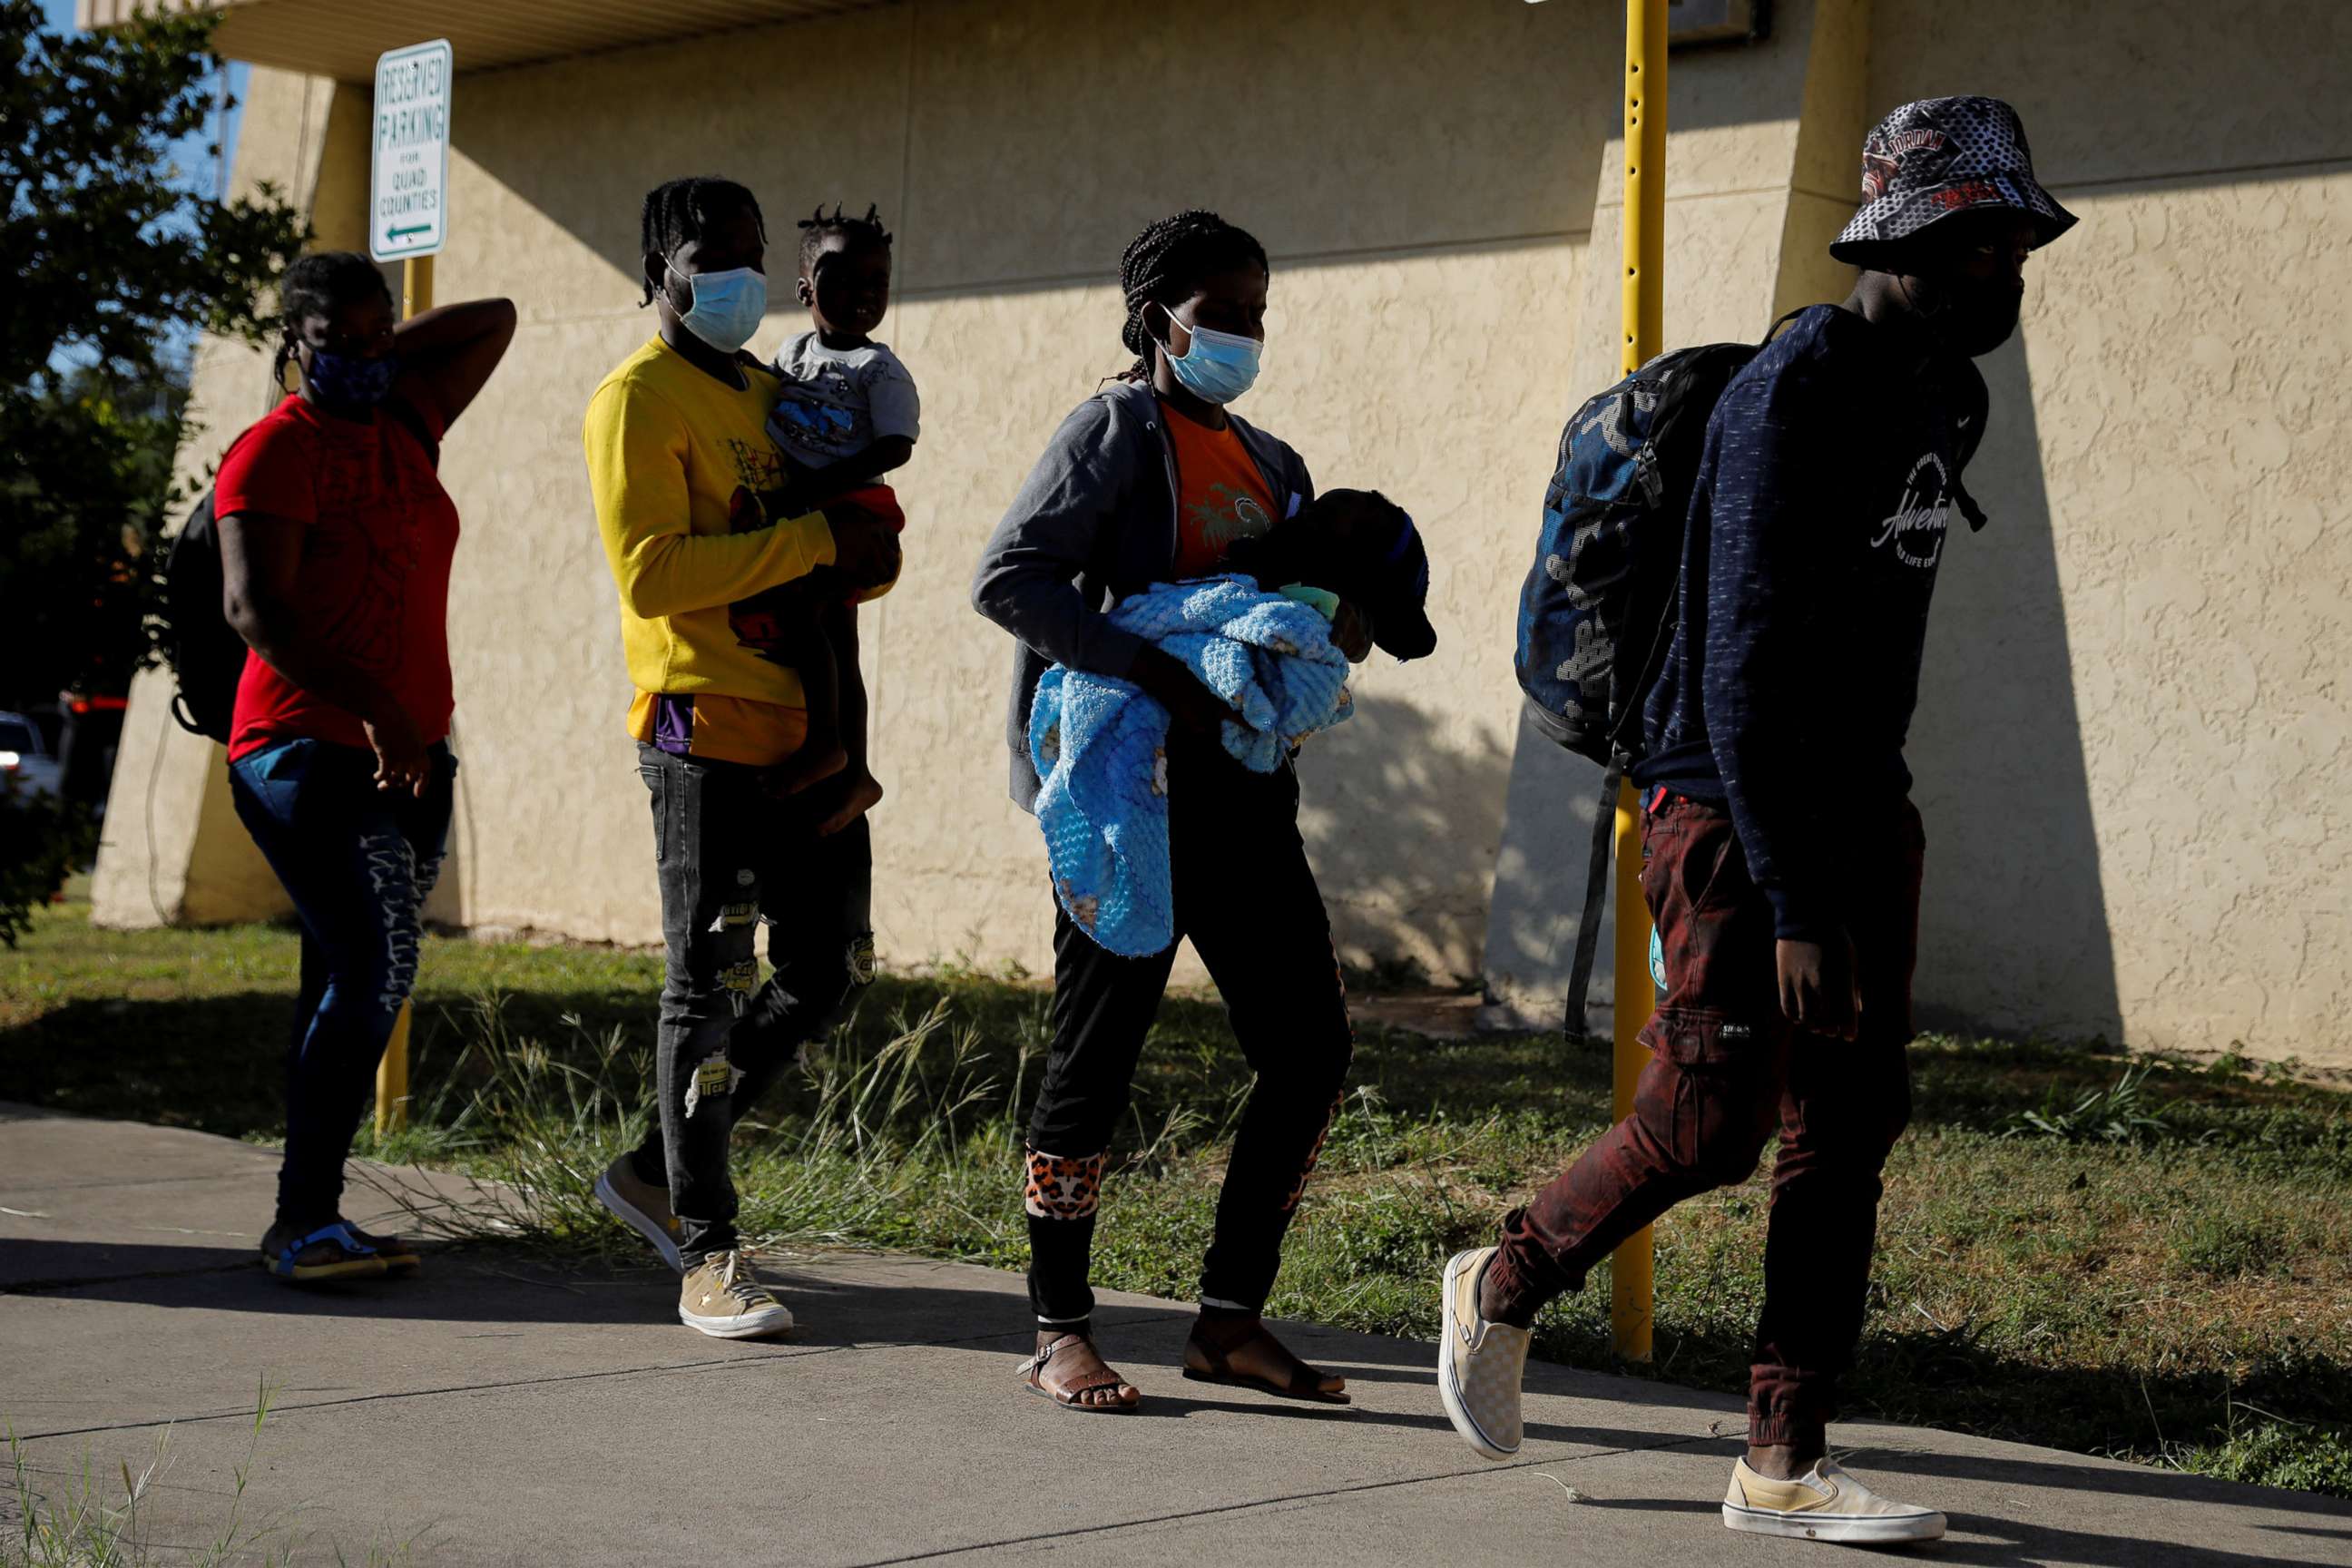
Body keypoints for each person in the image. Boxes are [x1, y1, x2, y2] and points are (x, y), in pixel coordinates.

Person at [1435, 97, 2076, 1544]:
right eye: (1977, 248)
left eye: (2018, 247)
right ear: (1904, 241)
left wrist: (1861, 843)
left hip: (1860, 803)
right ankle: (1504, 1279)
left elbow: (1874, 645)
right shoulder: (1798, 388)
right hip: (1727, 799)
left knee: (1846, 1131)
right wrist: (1789, 894)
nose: (2005, 277)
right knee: (1714, 1120)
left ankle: (1780, 1461)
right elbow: (1738, 666)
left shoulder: (1945, 397)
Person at [972, 210, 1380, 1412]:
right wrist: (1152, 674)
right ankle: (1058, 1330)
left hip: (1245, 798)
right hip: (1124, 799)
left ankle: (1230, 1323)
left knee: (1309, 1052)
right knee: (1094, 1061)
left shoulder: (1275, 460)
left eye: (1259, 311)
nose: (1247, 332)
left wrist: (1335, 629)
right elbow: (1012, 579)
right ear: (1160, 322)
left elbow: (1284, 614)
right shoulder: (1114, 430)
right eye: (1224, 314)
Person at [582, 176, 903, 1340]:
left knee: (823, 974)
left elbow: (848, 541)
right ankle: (707, 1253)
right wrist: (817, 539)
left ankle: (662, 1165)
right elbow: (655, 573)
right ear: (659, 268)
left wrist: (863, 549)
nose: (741, 277)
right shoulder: (636, 399)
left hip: (812, 744)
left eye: (754, 255)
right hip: (701, 734)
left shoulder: (778, 392)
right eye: (714, 256)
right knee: (702, 987)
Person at [215, 251, 515, 1283]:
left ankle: (311, 1219)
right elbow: (256, 610)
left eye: (375, 336)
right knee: (374, 965)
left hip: (409, 757)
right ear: (291, 346)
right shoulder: (274, 449)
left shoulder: (406, 422)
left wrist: (384, 355)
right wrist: (379, 708)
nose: (359, 359)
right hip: (300, 750)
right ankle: (301, 1222)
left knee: (348, 973)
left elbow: (495, 319)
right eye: (334, 344)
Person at [746, 203, 916, 813]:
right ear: (805, 289)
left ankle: (824, 743)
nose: (862, 295)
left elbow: (896, 445)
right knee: (840, 645)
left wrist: (809, 492)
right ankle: (857, 772)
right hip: (813, 513)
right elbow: (763, 393)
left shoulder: (879, 368)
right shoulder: (791, 354)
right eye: (841, 279)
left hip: (855, 512)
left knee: (801, 613)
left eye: (877, 283)